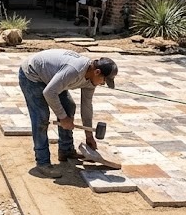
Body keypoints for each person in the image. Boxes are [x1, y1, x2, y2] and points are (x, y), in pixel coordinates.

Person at [18, 49, 118, 179]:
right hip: (32, 74)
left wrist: (89, 136)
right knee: (41, 118)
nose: (103, 83)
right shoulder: (74, 71)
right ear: (97, 72)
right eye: (104, 80)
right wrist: (63, 117)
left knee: (69, 106)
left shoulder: (91, 80)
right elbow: (49, 93)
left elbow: (86, 106)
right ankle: (42, 163)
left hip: (53, 77)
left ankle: (66, 150)